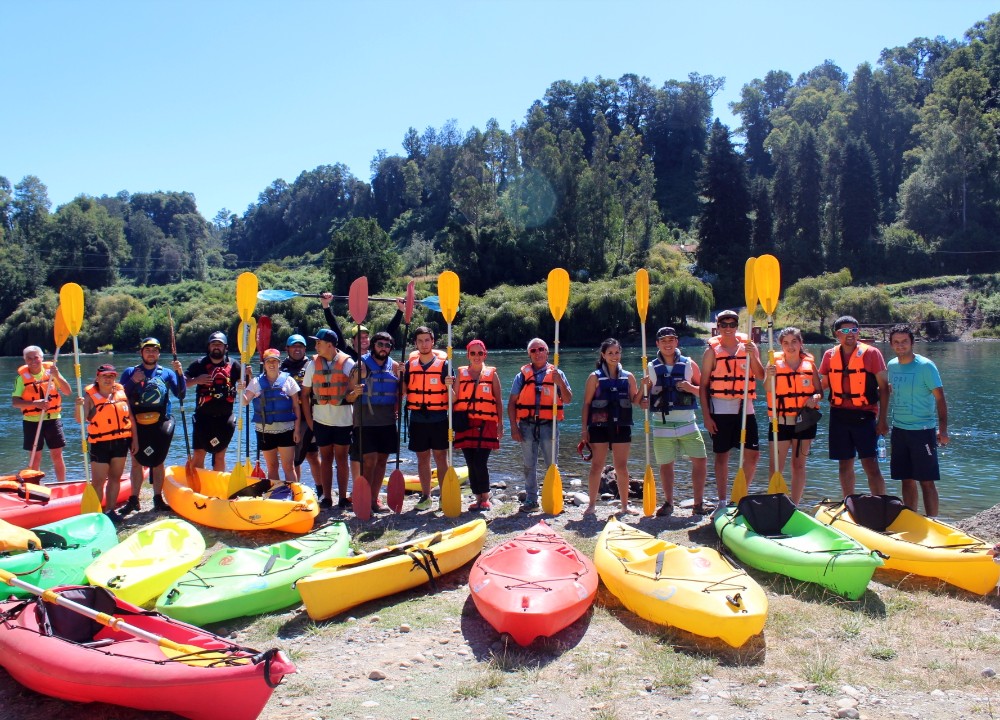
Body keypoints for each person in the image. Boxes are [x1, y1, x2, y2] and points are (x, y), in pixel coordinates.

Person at [643, 327, 712, 517]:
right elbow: (643, 398)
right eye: (663, 340)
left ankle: (698, 503)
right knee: (666, 465)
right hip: (661, 425)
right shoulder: (651, 368)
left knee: (700, 460)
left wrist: (690, 387)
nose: (667, 344)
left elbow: (705, 392)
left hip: (688, 423)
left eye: (671, 340)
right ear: (657, 344)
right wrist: (643, 398)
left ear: (677, 342)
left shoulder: (689, 364)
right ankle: (668, 503)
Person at [819, 315, 889, 497]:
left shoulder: (872, 354)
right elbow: (824, 384)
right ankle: (848, 501)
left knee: (870, 464)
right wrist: (808, 394)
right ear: (837, 334)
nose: (850, 334)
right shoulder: (829, 355)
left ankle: (880, 502)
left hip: (865, 415)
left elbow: (884, 389)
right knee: (844, 463)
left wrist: (882, 420)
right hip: (839, 415)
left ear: (858, 333)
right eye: (845, 331)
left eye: (854, 330)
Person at [699, 310, 765, 504]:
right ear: (718, 327)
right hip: (720, 409)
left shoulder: (749, 347)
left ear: (737, 326)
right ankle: (721, 500)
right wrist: (706, 417)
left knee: (753, 455)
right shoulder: (711, 351)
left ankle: (739, 497)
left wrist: (753, 355)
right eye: (724, 324)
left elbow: (760, 376)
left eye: (732, 324)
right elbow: (703, 386)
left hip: (746, 408)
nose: (728, 328)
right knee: (722, 456)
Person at [886, 324, 949, 517]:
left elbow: (940, 398)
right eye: (896, 342)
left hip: (923, 431)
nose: (901, 345)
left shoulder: (925, 366)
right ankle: (911, 517)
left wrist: (943, 430)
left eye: (904, 341)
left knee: (926, 480)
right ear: (891, 344)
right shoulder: (891, 366)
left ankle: (933, 521)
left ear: (912, 342)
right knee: (906, 479)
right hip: (899, 430)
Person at [119, 337, 186, 513]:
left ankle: (157, 498)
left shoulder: (166, 373)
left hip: (159, 422)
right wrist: (133, 381)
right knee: (136, 461)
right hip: (137, 424)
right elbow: (119, 396)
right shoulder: (129, 372)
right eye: (147, 350)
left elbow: (181, 394)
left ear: (158, 353)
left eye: (154, 350)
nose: (151, 353)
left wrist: (180, 374)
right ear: (141, 352)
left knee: (159, 461)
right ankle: (134, 498)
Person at [508, 338, 573, 513]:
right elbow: (512, 403)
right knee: (529, 464)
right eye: (534, 350)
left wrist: (559, 383)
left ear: (547, 352)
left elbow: (567, 399)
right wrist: (513, 428)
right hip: (527, 426)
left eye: (541, 349)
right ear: (529, 354)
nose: (538, 353)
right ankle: (531, 499)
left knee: (552, 464)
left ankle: (553, 496)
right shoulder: (521, 376)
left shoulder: (557, 374)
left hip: (549, 425)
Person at [580, 338, 640, 516]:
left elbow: (635, 401)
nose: (614, 356)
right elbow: (587, 404)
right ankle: (591, 504)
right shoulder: (594, 377)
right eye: (610, 353)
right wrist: (584, 430)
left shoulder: (628, 377)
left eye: (617, 352)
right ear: (603, 355)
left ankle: (624, 506)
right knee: (597, 466)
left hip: (621, 426)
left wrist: (644, 388)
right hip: (599, 426)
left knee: (621, 467)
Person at [763, 327, 822, 505]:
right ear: (781, 345)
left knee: (798, 465)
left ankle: (795, 505)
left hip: (805, 422)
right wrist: (770, 375)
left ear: (800, 343)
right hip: (780, 422)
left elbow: (819, 391)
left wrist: (815, 397)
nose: (790, 346)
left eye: (794, 342)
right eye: (786, 343)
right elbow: (766, 388)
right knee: (776, 468)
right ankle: (774, 502)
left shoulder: (809, 365)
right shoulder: (773, 364)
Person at [300, 329, 355, 509]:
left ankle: (343, 498)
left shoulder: (348, 364)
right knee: (325, 458)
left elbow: (355, 391)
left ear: (330, 345)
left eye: (319, 343)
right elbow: (305, 394)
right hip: (321, 421)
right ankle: (327, 497)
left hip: (344, 421)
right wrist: (309, 422)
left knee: (341, 459)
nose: (316, 346)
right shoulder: (312, 365)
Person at [348, 330, 402, 513]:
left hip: (386, 420)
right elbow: (347, 397)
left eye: (387, 345)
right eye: (380, 344)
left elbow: (402, 393)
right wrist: (355, 392)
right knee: (369, 460)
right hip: (365, 421)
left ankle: (373, 500)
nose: (384, 348)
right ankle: (363, 498)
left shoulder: (394, 367)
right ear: (373, 345)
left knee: (381, 461)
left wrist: (403, 377)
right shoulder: (360, 365)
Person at [447, 339, 503, 511]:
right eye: (473, 353)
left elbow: (499, 401)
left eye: (480, 353)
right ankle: (477, 496)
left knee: (480, 461)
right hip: (465, 423)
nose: (477, 356)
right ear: (468, 355)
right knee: (470, 462)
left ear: (484, 354)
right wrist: (449, 386)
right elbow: (454, 398)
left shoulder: (492, 375)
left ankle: (485, 496)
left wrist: (501, 424)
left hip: (486, 424)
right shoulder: (461, 373)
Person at [402, 326, 452, 511]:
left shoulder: (445, 365)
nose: (424, 344)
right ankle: (426, 496)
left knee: (441, 457)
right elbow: (403, 393)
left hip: (439, 417)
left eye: (427, 340)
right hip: (417, 418)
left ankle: (445, 495)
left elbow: (453, 398)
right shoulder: (409, 365)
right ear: (415, 343)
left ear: (433, 342)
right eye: (420, 341)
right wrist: (401, 376)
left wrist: (449, 386)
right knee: (422, 459)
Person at [80, 364, 134, 521]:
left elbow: (130, 418)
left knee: (115, 478)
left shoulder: (121, 394)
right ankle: (96, 514)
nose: (108, 379)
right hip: (100, 444)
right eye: (105, 376)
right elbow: (80, 419)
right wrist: (79, 405)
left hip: (120, 442)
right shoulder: (89, 397)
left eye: (111, 376)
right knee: (98, 482)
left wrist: (134, 440)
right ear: (98, 378)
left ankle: (110, 511)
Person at [11, 345, 72, 482]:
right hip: (31, 421)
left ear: (41, 358)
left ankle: (62, 484)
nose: (33, 361)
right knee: (35, 457)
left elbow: (68, 391)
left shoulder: (52, 372)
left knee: (57, 455)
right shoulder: (21, 379)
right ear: (25, 360)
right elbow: (15, 402)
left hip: (53, 419)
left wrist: (56, 376)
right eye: (29, 358)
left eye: (36, 357)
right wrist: (34, 404)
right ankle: (34, 486)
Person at [243, 348, 303, 483]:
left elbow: (296, 407)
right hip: (264, 432)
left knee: (288, 466)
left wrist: (297, 429)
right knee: (272, 466)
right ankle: (275, 495)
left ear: (279, 363)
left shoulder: (289, 381)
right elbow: (245, 401)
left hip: (286, 430)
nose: (272, 364)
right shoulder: (256, 382)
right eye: (268, 361)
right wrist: (240, 389)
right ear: (264, 364)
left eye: (274, 361)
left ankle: (294, 496)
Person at [184, 331, 241, 471]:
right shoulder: (198, 364)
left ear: (225, 348)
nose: (216, 347)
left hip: (225, 419)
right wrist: (196, 380)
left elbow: (246, 385)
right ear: (209, 347)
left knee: (220, 455)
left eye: (219, 345)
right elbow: (181, 383)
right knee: (198, 454)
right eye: (213, 344)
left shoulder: (234, 365)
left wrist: (248, 378)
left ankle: (218, 488)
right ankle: (199, 490)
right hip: (203, 418)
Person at [280, 334, 322, 492]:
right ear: (288, 349)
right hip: (289, 419)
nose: (297, 349)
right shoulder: (280, 366)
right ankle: (295, 491)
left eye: (300, 346)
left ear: (305, 349)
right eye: (294, 346)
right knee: (292, 459)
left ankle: (321, 490)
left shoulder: (312, 364)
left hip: (310, 417)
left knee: (312, 455)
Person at [321, 294, 404, 361]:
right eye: (360, 337)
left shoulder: (374, 354)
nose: (364, 340)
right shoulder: (346, 351)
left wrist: (400, 310)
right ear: (353, 341)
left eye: (366, 337)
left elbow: (390, 331)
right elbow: (335, 327)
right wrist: (326, 305)